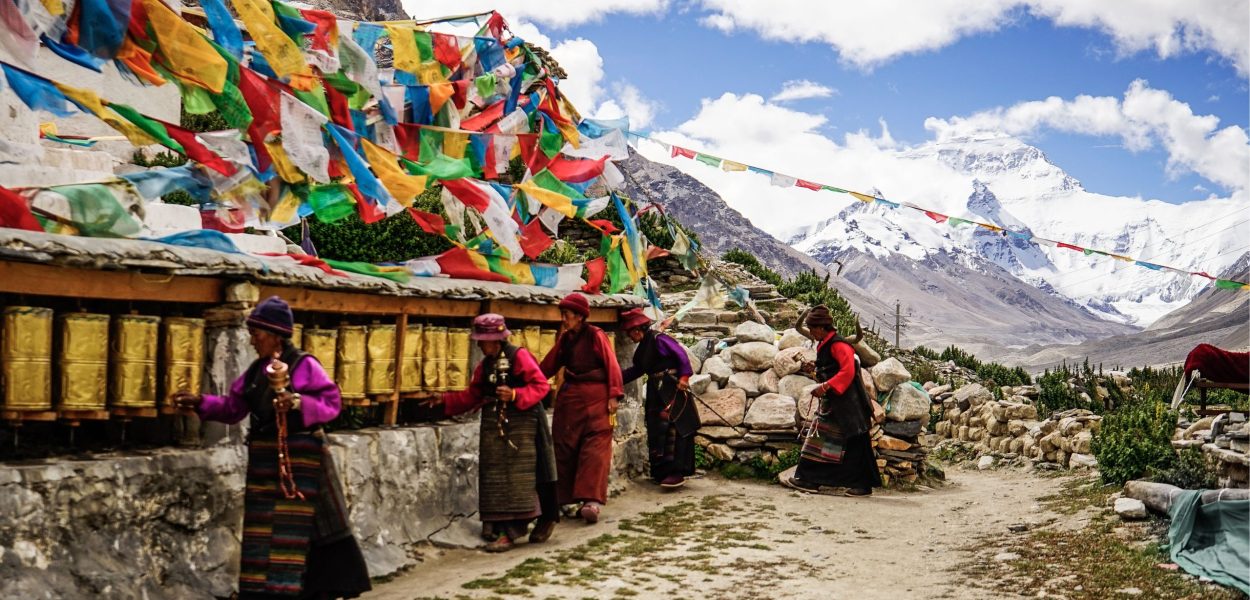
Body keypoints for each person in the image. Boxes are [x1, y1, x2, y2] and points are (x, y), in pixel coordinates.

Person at [173, 296, 371, 599]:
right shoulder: (255, 373)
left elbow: (331, 404)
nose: (252, 340)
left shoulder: (304, 365)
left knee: (313, 524)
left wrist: (297, 402)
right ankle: (265, 591)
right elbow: (233, 408)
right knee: (265, 531)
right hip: (267, 462)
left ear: (276, 335)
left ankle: (323, 587)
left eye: (257, 334)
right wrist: (201, 403)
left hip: (303, 460)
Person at [419, 313, 557, 552]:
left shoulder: (519, 356)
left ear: (496, 340)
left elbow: (541, 386)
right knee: (494, 474)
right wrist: (444, 400)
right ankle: (495, 525)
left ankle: (512, 530)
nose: (480, 345)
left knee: (518, 475)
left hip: (523, 423)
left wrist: (515, 395)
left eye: (483, 340)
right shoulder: (485, 366)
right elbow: (473, 394)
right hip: (495, 424)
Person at [539, 292, 623, 524]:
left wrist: (614, 395)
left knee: (595, 450)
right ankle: (563, 498)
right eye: (563, 315)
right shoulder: (566, 340)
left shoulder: (596, 335)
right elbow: (547, 366)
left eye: (566, 315)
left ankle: (591, 502)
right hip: (571, 401)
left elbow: (612, 364)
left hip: (597, 399)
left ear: (579, 316)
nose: (564, 319)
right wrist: (526, 381)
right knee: (563, 446)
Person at [787, 305, 882, 496]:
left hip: (849, 403)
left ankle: (860, 486)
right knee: (822, 440)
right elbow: (831, 367)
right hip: (837, 402)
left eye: (813, 329)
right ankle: (810, 480)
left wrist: (824, 387)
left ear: (822, 328)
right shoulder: (826, 344)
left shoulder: (840, 346)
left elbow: (847, 371)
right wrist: (815, 368)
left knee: (854, 442)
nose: (811, 333)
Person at [619, 308, 698, 489]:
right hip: (656, 393)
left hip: (672, 389)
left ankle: (676, 472)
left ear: (637, 330)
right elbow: (637, 370)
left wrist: (684, 377)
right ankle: (662, 472)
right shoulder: (642, 350)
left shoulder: (659, 339)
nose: (630, 338)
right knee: (657, 428)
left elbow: (681, 355)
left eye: (630, 333)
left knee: (673, 428)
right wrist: (615, 379)